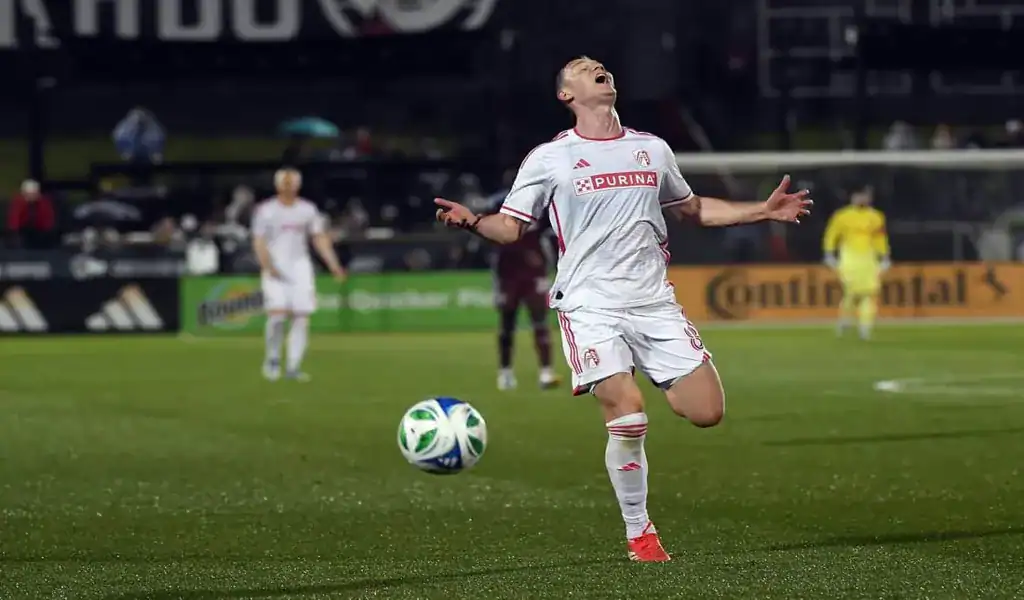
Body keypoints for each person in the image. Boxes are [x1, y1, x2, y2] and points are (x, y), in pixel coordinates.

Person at [433, 56, 812, 562]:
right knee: (628, 414)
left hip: (653, 301)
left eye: (601, 66)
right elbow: (512, 226)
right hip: (590, 304)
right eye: (584, 68)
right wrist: (474, 221)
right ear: (566, 95)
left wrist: (759, 212)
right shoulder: (551, 158)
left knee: (706, 412)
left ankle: (641, 400)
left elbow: (692, 209)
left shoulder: (651, 149)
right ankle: (641, 533)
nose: (598, 68)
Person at [252, 168, 346, 381]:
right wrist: (267, 265)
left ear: (297, 185)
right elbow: (258, 240)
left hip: (300, 267)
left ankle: (293, 366)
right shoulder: (265, 210)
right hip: (275, 266)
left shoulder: (307, 209)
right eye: (284, 182)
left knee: (301, 318)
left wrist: (334, 265)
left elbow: (319, 238)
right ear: (277, 185)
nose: (288, 186)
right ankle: (273, 358)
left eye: (291, 182)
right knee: (276, 316)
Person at [487, 169, 560, 391]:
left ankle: (546, 372)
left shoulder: (539, 205)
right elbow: (490, 236)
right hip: (508, 273)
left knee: (540, 320)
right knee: (507, 323)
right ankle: (505, 372)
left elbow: (549, 235)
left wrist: (549, 263)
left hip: (533, 273)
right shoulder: (497, 205)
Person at [823, 185, 890, 340]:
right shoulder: (842, 216)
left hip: (869, 257)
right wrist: (829, 253)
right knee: (853, 291)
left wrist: (885, 256)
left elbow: (880, 238)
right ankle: (846, 319)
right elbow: (832, 234)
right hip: (849, 256)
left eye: (865, 196)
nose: (862, 199)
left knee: (870, 292)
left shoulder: (876, 217)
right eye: (859, 196)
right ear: (852, 197)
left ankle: (865, 327)